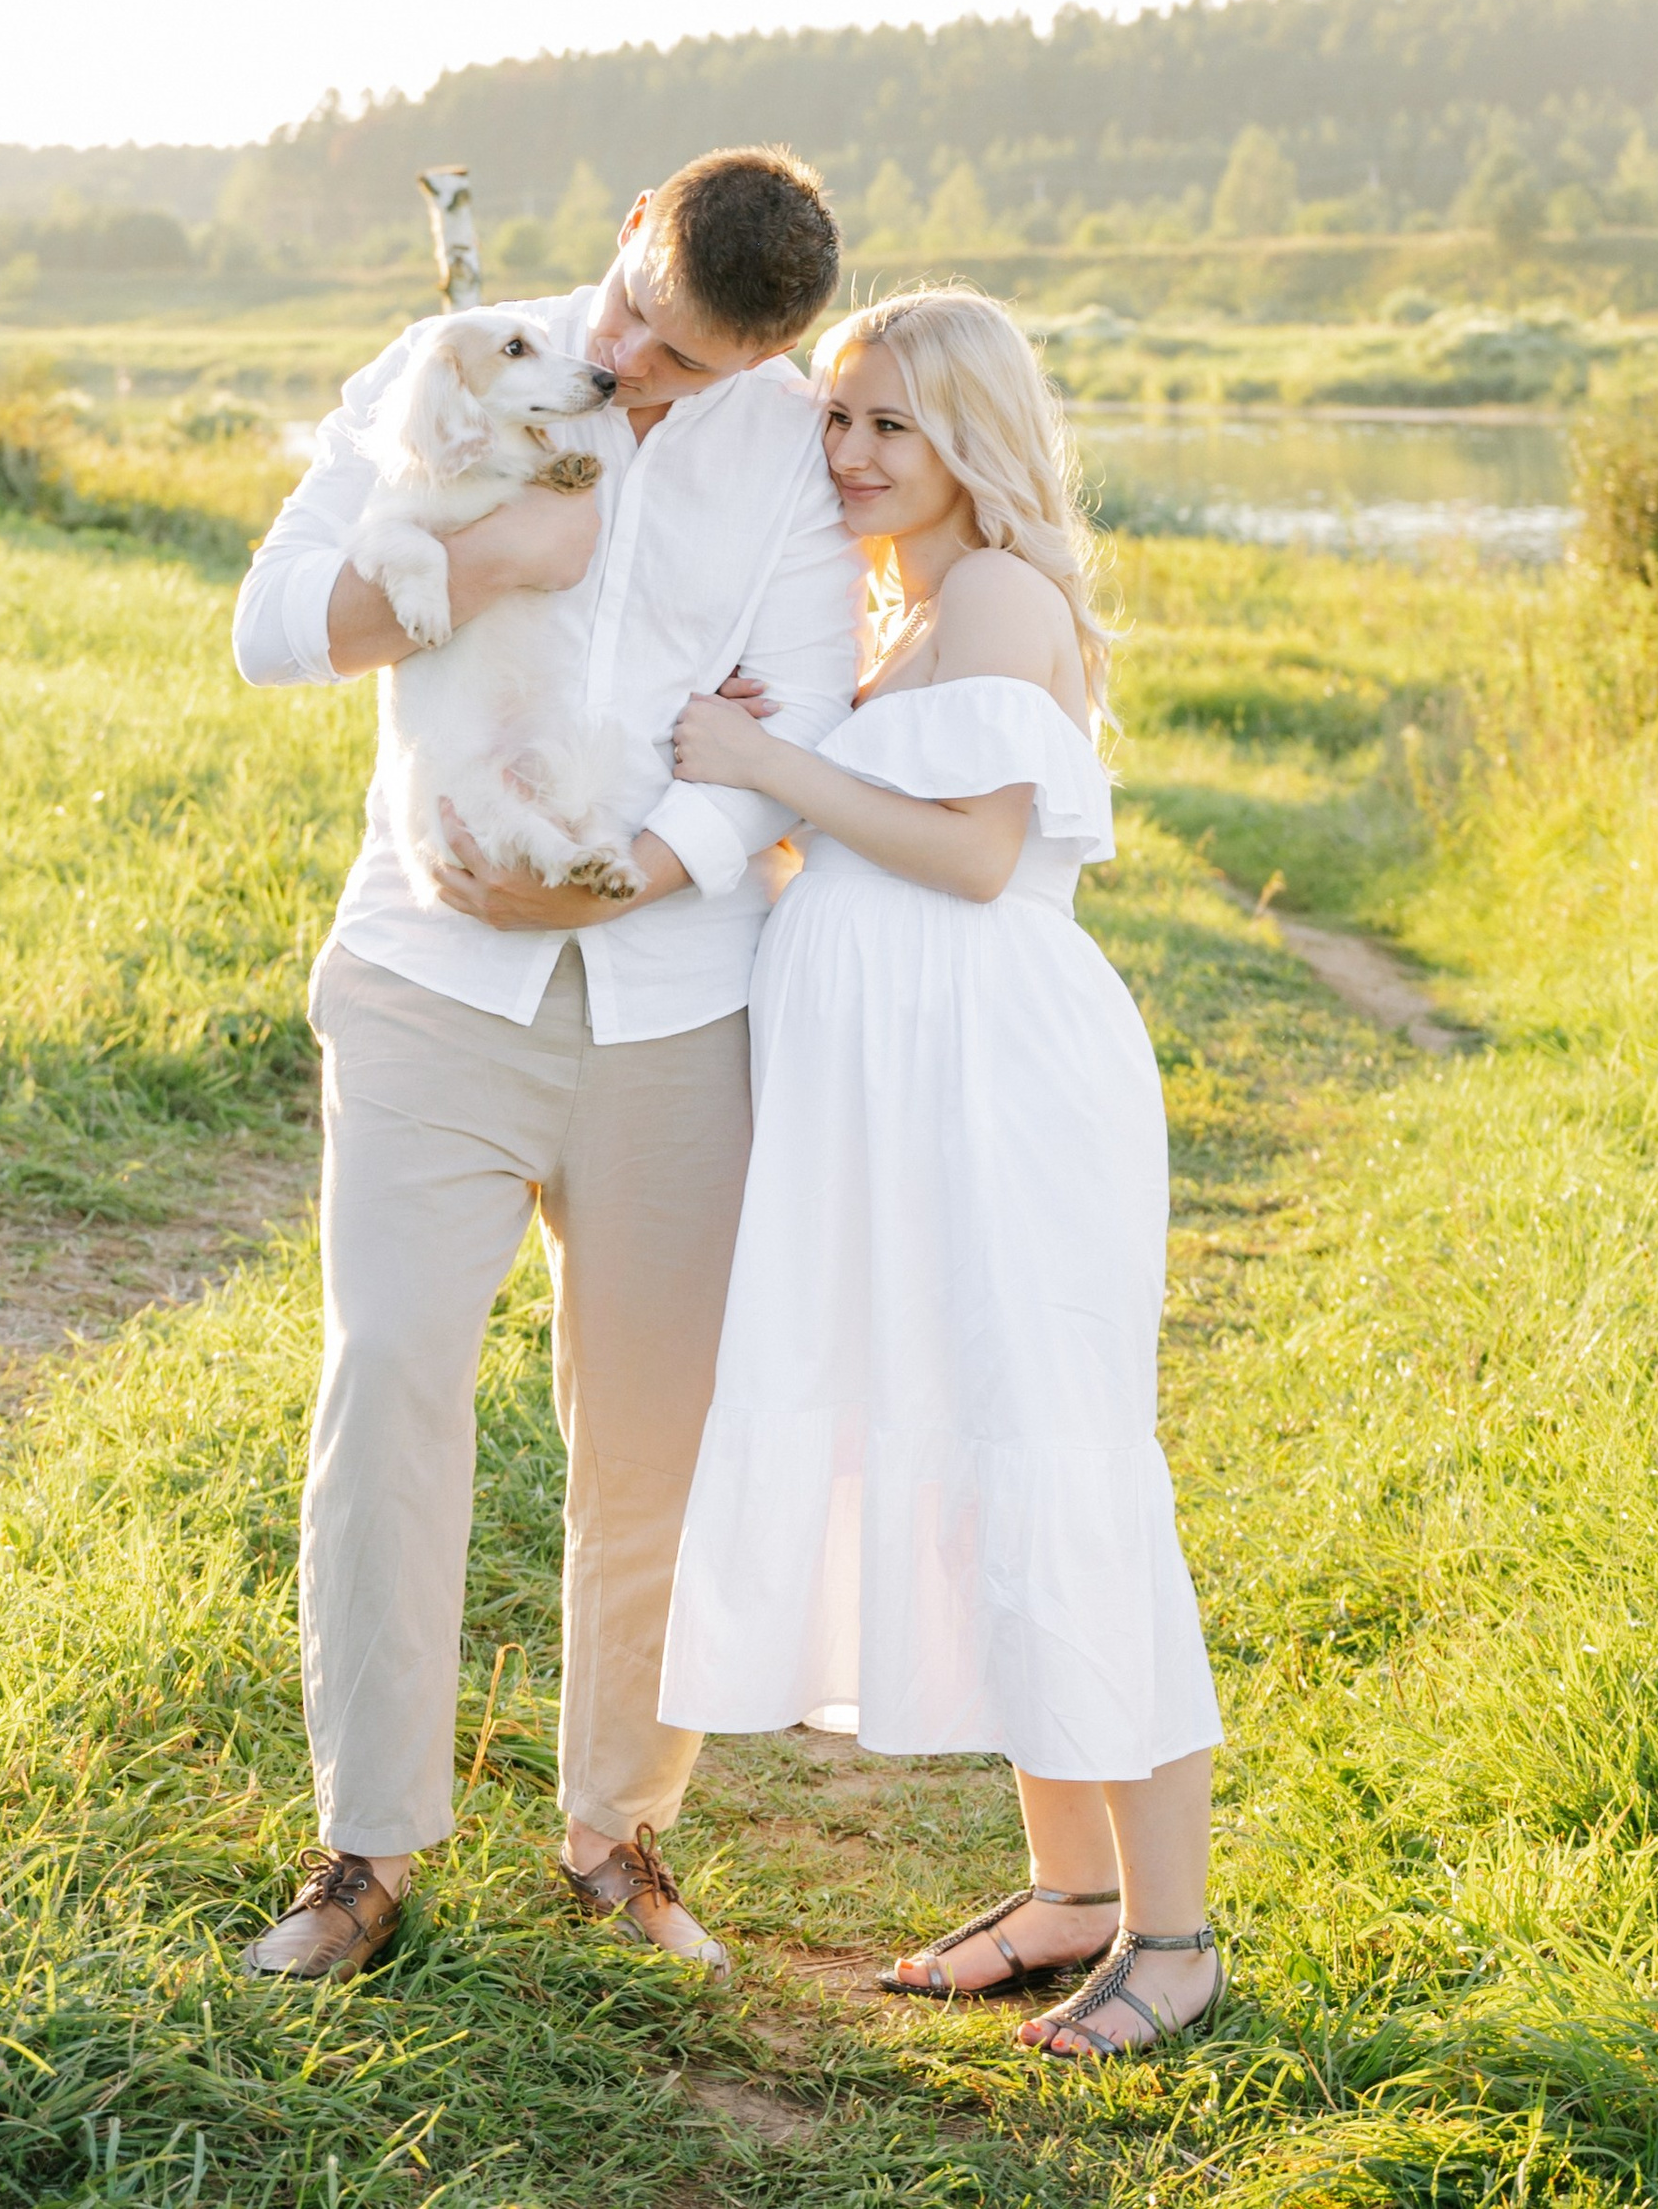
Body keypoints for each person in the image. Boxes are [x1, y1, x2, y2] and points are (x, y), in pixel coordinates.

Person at [230, 148, 859, 1986]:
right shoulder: (441, 369)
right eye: (641, 326)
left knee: (651, 1436)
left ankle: (617, 1829)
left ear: (765, 359)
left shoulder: (781, 452)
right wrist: (500, 550)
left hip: (673, 1004)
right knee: (395, 1385)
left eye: (693, 366)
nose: (643, 375)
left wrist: (641, 866)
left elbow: (802, 714)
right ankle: (366, 1847)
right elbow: (274, 633)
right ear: (627, 250)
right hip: (427, 982)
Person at [659, 287, 1226, 2060]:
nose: (848, 455)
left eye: (889, 425)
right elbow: (855, 868)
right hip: (907, 1093)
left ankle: (1178, 1933)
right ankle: (1064, 1894)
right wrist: (778, 800)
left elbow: (975, 858)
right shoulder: (903, 608)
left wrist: (767, 761)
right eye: (836, 418)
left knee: (1057, 1460)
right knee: (978, 1457)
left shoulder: (995, 591)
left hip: (1000, 1083)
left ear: (971, 434)